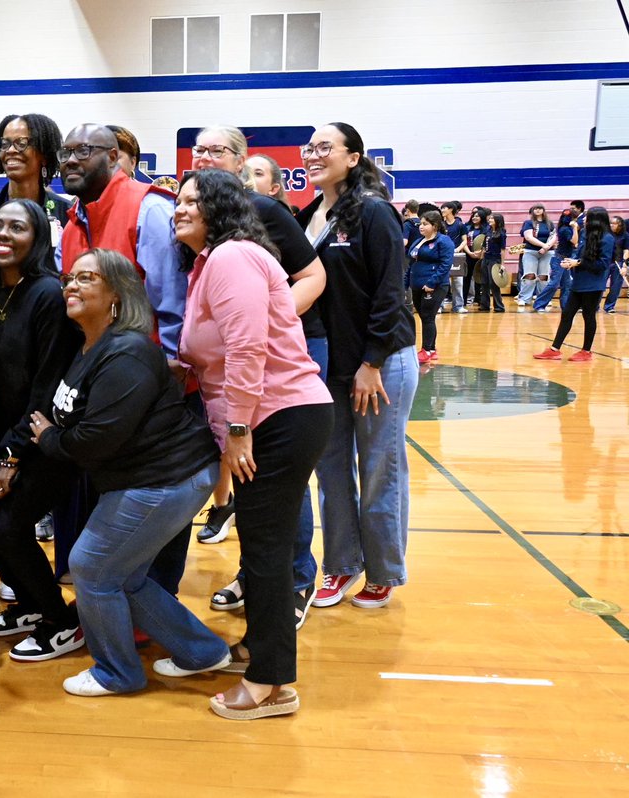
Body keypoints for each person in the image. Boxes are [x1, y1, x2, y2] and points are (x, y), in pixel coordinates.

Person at [171, 169, 333, 719]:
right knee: (261, 545)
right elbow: (216, 346)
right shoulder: (210, 263)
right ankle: (260, 650)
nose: (180, 208)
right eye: (178, 199)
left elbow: (246, 347)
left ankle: (272, 683)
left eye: (193, 200)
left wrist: (238, 429)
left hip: (277, 417)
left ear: (219, 209)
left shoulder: (231, 257)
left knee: (264, 548)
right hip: (273, 415)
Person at [27, 248, 222, 697]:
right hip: (146, 478)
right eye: (69, 278)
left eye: (86, 278)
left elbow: (96, 439)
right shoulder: (91, 346)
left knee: (91, 567)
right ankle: (202, 652)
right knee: (125, 576)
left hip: (166, 479)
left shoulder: (128, 352)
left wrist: (50, 439)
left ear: (116, 293)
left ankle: (117, 673)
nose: (71, 285)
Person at [190, 126, 329, 632]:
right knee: (253, 480)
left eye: (217, 150)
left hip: (283, 357)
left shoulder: (265, 213)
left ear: (241, 160)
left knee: (278, 476)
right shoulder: (202, 225)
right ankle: (257, 574)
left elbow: (314, 276)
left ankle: (294, 579)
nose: (206, 156)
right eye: (199, 149)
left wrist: (267, 319)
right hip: (239, 363)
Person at [58, 123, 189, 593]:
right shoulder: (72, 220)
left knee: (151, 512)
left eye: (84, 151)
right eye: (66, 152)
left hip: (152, 389)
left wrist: (173, 366)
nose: (71, 160)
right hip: (102, 389)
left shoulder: (150, 207)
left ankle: (156, 610)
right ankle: (119, 604)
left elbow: (172, 298)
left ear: (114, 156)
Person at [295, 123, 418, 610]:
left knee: (379, 469)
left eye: (326, 147)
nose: (314, 154)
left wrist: (372, 361)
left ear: (353, 157)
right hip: (329, 365)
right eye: (310, 148)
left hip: (380, 362)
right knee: (330, 470)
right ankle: (341, 565)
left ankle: (384, 570)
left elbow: (391, 293)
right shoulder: (307, 216)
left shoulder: (373, 211)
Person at [0, 200, 83, 660]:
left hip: (48, 439)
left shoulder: (49, 294)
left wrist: (12, 458)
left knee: (8, 526)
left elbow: (46, 386)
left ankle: (62, 620)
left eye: (17, 227)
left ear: (37, 238)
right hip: (12, 432)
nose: (3, 235)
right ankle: (34, 605)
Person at [0, 114, 70, 269]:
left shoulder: (67, 214)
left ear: (44, 154)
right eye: (5, 143)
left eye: (21, 143)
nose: (10, 150)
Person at [534, 207, 616, 362]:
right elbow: (579, 255)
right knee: (567, 315)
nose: (583, 219)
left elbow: (603, 264)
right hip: (578, 282)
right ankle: (555, 349)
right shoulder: (585, 234)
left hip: (593, 285)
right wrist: (570, 263)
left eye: (587, 217)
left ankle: (586, 351)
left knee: (588, 315)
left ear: (596, 220)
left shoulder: (607, 238)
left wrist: (577, 262)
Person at [407, 210, 455, 363]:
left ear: (434, 226)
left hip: (434, 286)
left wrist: (432, 283)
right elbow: (411, 263)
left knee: (428, 317)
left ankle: (427, 350)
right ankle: (431, 349)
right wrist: (405, 283)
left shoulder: (444, 241)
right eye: (421, 224)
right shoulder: (418, 241)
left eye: (425, 224)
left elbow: (445, 264)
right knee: (424, 317)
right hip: (417, 285)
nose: (421, 227)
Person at [534, 203, 584, 313]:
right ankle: (539, 304)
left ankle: (566, 307)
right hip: (559, 259)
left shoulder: (566, 228)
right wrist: (575, 228)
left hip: (566, 259)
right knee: (554, 284)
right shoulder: (565, 229)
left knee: (567, 285)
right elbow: (575, 242)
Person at [516, 204, 555, 307]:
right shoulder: (528, 223)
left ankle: (543, 299)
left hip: (547, 253)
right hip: (531, 252)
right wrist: (544, 246)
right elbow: (528, 237)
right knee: (529, 276)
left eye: (540, 208)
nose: (537, 210)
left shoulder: (550, 223)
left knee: (544, 277)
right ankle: (524, 298)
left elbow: (554, 236)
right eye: (535, 209)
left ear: (543, 210)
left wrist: (547, 247)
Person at [476, 212, 507, 312]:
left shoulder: (501, 233)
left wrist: (502, 264)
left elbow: (503, 250)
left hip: (495, 259)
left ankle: (499, 306)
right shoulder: (488, 231)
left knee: (493, 283)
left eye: (492, 219)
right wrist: (481, 259)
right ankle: (485, 305)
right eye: (490, 219)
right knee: (484, 282)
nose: (490, 220)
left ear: (497, 221)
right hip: (486, 259)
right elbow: (484, 247)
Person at [459, 207, 489, 309]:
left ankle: (480, 300)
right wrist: (470, 252)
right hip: (469, 255)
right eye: (473, 216)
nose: (474, 218)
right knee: (466, 278)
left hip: (481, 256)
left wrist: (480, 253)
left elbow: (486, 242)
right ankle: (463, 301)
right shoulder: (467, 227)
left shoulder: (486, 229)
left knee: (479, 278)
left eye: (477, 216)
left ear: (482, 218)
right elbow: (464, 241)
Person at [603, 215, 627, 313]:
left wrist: (625, 265)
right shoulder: (605, 234)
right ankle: (594, 306)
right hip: (605, 262)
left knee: (616, 286)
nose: (612, 225)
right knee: (599, 285)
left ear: (620, 225)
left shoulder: (625, 235)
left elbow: (627, 251)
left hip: (619, 262)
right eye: (611, 223)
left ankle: (609, 306)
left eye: (614, 223)